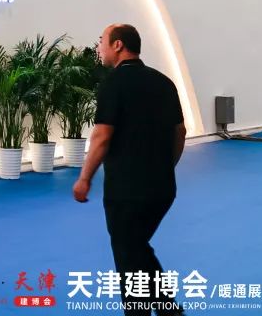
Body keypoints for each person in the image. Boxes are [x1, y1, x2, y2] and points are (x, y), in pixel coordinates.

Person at [73, 24, 186, 316]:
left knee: (128, 257)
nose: (99, 48)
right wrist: (166, 166)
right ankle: (169, 309)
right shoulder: (164, 83)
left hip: (126, 191)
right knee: (137, 247)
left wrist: (84, 178)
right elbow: (180, 132)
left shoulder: (113, 84)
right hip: (163, 190)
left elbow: (102, 136)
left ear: (118, 45)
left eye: (102, 41)